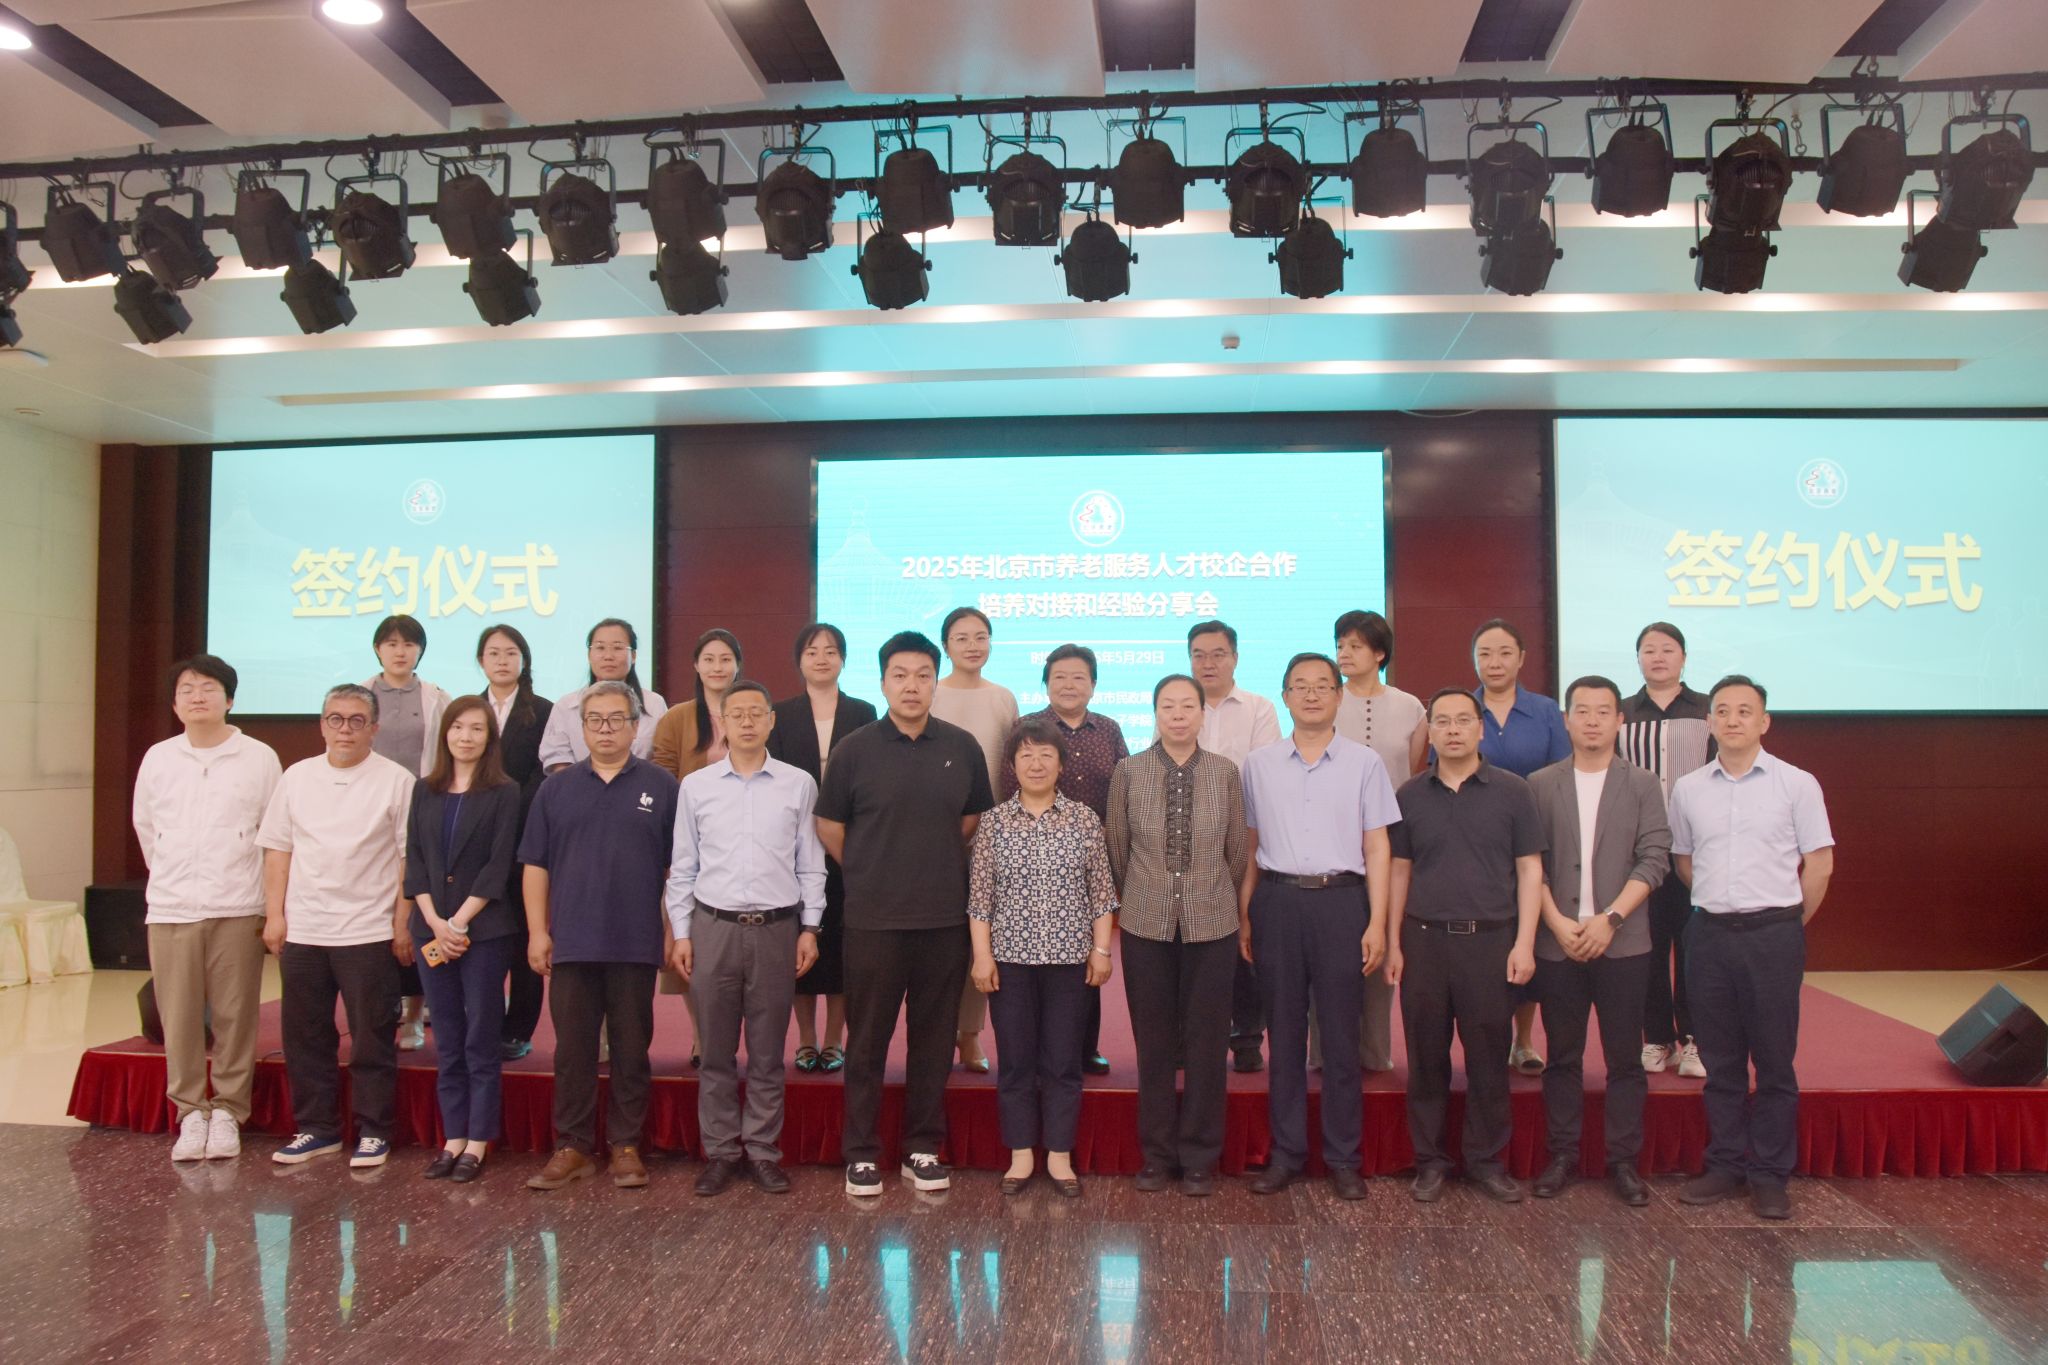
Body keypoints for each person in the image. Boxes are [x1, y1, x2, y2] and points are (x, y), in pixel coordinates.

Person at [816, 630, 994, 1197]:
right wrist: (868, 867)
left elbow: (970, 820)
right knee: (867, 1041)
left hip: (943, 919)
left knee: (933, 1041)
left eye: (922, 675)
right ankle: (861, 1153)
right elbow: (829, 825)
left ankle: (922, 1147)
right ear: (883, 681)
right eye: (900, 674)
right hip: (873, 921)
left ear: (935, 681)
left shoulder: (962, 746)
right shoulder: (854, 750)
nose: (911, 685)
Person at [1669, 675, 1834, 1222]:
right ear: (1709, 722)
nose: (1733, 719)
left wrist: (1787, 921)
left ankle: (1769, 1174)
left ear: (1764, 722)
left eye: (1745, 711)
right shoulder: (1689, 788)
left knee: (1774, 1061)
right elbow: (1685, 862)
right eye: (1722, 710)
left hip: (1774, 936)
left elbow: (1820, 863)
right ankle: (1724, 1164)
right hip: (1709, 935)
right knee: (1719, 1061)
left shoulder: (1797, 784)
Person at [1236, 653, 1399, 1199]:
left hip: (1342, 904)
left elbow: (1378, 847)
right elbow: (1251, 845)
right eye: (1299, 686)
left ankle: (1343, 1157)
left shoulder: (1365, 763)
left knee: (1340, 1037)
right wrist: (1246, 913)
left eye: (1322, 686)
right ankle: (1286, 1155)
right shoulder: (1257, 765)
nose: (1311, 695)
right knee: (1283, 1035)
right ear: (1284, 696)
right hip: (1277, 902)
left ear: (1338, 696)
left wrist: (1377, 922)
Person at [667, 680, 826, 1197]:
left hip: (777, 930)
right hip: (713, 928)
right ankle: (720, 1152)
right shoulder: (696, 786)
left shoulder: (798, 784)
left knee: (766, 1052)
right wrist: (682, 933)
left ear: (771, 720)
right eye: (737, 714)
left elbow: (811, 863)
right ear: (724, 722)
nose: (748, 722)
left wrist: (810, 927)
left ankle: (761, 1151)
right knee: (715, 1052)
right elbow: (683, 866)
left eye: (757, 712)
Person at [1386, 688, 1544, 1204]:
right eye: (1442, 721)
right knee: (1425, 1058)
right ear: (1429, 732)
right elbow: (1399, 870)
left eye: (1462, 720)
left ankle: (1485, 1162)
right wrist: (1393, 941)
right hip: (1424, 943)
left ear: (1480, 728)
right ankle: (1430, 1161)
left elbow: (1529, 870)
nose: (1452, 730)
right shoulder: (1410, 795)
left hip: (1491, 942)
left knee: (1488, 1060)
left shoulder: (1513, 792)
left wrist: (1524, 943)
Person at [522, 681, 681, 1192]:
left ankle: (626, 1145)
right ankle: (571, 1146)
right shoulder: (556, 789)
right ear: (582, 727)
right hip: (571, 940)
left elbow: (679, 868)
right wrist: (537, 932)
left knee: (632, 1048)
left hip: (635, 941)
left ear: (636, 727)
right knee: (573, 1049)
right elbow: (535, 865)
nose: (606, 729)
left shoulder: (662, 786)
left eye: (617, 719)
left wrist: (673, 929)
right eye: (595, 720)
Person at [258, 683, 416, 1170]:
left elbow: (408, 859)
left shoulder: (396, 780)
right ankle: (317, 1128)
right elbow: (278, 849)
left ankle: (374, 1131)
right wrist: (275, 914)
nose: (344, 729)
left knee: (371, 1037)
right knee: (306, 1036)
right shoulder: (297, 776)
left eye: (356, 720)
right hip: (305, 928)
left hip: (367, 930)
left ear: (374, 728)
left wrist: (401, 922)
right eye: (335, 719)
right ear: (322, 725)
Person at [1527, 676, 1671, 1207]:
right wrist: (1556, 922)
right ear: (1566, 720)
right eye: (1581, 711)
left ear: (1619, 721)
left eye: (1603, 711)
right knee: (1562, 1057)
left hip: (1623, 942)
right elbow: (1530, 864)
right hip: (1558, 942)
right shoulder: (1540, 784)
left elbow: (1654, 858)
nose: (1592, 720)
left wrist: (1610, 918)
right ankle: (1562, 1155)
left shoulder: (1643, 784)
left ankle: (1622, 1162)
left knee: (1625, 1059)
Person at [133, 654, 282, 1164]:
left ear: (230, 699)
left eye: (209, 687)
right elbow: (146, 828)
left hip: (237, 903)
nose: (197, 696)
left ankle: (229, 1111)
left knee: (235, 1016)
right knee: (177, 1017)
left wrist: (269, 903)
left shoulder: (258, 756)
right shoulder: (159, 758)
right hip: (172, 906)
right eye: (187, 689)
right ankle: (190, 1112)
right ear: (175, 704)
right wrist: (171, 872)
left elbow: (273, 832)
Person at [1105, 675, 1250, 1197]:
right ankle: (1157, 1154)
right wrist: (1145, 895)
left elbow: (1237, 851)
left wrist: (1211, 893)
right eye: (1168, 706)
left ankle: (1200, 1157)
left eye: (1188, 706)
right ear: (1155, 713)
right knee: (1155, 1042)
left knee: (1209, 1043)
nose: (1179, 715)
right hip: (1146, 923)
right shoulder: (1129, 771)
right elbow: (1117, 848)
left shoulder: (1224, 772)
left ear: (1202, 714)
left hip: (1213, 923)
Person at [970, 716, 1118, 1198]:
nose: (1036, 764)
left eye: (1046, 755)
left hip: (1069, 962)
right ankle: (1020, 1155)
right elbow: (980, 900)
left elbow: (1101, 895)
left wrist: (1100, 951)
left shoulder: (1084, 820)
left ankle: (1058, 1155)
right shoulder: (994, 823)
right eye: (1026, 755)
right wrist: (982, 957)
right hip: (1009, 962)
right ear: (1012, 765)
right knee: (1015, 1061)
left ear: (1061, 764)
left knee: (1062, 1062)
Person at [404, 696, 522, 1183]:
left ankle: (478, 1140)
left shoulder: (505, 791)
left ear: (489, 737)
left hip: (485, 932)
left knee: (480, 1036)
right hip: (430, 928)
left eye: (476, 728)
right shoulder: (424, 789)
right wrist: (435, 921)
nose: (466, 737)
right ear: (445, 733)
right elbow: (414, 860)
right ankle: (453, 1136)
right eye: (458, 727)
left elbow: (499, 866)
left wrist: (458, 922)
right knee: (448, 1036)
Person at [998, 643, 1130, 1075]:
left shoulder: (1108, 729)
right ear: (1045, 683)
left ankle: (1085, 1046)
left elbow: (1124, 790)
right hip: (1031, 857)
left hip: (1091, 857)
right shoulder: (1027, 727)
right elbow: (1008, 786)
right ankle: (1039, 1048)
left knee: (1089, 950)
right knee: (1037, 957)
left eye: (1079, 677)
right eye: (1059, 677)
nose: (1069, 685)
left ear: (1093, 684)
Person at [1316, 608, 1427, 1075]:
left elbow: (1413, 771)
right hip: (1330, 838)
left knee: (1382, 937)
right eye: (1340, 644)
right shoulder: (1324, 701)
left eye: (1356, 645)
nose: (1344, 653)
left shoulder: (1411, 707)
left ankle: (1375, 1049)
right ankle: (1322, 1051)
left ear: (1380, 653)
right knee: (1327, 949)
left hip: (1392, 836)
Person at [767, 623, 877, 1075]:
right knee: (800, 939)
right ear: (800, 660)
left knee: (842, 945)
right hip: (794, 841)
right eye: (812, 651)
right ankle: (806, 1038)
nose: (822, 658)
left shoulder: (863, 711)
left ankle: (834, 1040)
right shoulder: (780, 713)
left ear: (843, 659)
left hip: (849, 840)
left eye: (831, 651)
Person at [1471, 617, 1570, 1076]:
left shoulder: (1546, 710)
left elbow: (1563, 772)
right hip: (1478, 843)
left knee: (1530, 937)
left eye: (1504, 653)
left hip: (1536, 837)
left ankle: (1524, 1040)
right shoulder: (1463, 708)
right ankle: (1487, 1041)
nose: (1494, 662)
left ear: (1522, 659)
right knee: (1490, 943)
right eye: (1485, 653)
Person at [1620, 622, 1715, 1081]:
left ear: (1684, 657)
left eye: (1668, 649)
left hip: (1697, 849)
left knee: (1695, 948)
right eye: (1648, 650)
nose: (1658, 657)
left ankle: (1696, 1039)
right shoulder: (1621, 712)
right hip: (1640, 852)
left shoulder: (1707, 710)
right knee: (1649, 949)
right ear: (1638, 658)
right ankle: (1657, 1038)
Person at [1186, 619, 1280, 1075]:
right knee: (1193, 941)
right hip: (1188, 844)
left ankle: (1246, 1038)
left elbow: (1264, 774)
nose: (1208, 663)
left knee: (1245, 937)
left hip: (1246, 835)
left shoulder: (1259, 708)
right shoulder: (1181, 704)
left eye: (1218, 654)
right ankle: (1193, 1037)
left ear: (1235, 658)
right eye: (1199, 655)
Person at [650, 628, 746, 1064]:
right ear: (696, 665)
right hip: (689, 841)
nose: (717, 667)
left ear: (737, 665)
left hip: (743, 840)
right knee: (688, 938)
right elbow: (662, 775)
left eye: (725, 659)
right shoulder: (677, 718)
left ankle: (728, 1033)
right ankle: (701, 1034)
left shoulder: (751, 710)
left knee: (736, 946)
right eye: (709, 659)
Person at [930, 606, 1018, 1076]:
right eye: (962, 637)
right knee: (941, 941)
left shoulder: (1003, 698)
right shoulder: (930, 692)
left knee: (982, 939)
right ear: (945, 645)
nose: (972, 645)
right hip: (934, 839)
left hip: (991, 838)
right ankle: (937, 1031)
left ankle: (969, 1033)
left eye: (981, 636)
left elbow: (1014, 768)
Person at [365, 614, 448, 1051]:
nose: (400, 651)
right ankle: (380, 1010)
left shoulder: (436, 697)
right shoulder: (361, 695)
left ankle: (414, 1015)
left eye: (409, 644)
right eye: (391, 643)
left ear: (420, 650)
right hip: (367, 816)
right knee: (374, 914)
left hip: (420, 813)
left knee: (415, 911)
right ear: (377, 649)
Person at [476, 624, 553, 1062]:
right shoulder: (469, 710)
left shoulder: (543, 711)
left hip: (525, 838)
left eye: (510, 653)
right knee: (483, 936)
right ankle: (483, 1023)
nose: (502, 660)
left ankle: (518, 1029)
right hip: (477, 840)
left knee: (526, 934)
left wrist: (509, 812)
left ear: (524, 660)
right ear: (481, 661)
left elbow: (544, 772)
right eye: (493, 653)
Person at [539, 618, 669, 772]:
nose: (608, 656)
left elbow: (663, 758)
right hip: (579, 786)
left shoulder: (654, 704)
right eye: (600, 648)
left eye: (617, 648)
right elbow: (557, 759)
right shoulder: (566, 706)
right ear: (589, 655)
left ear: (633, 656)